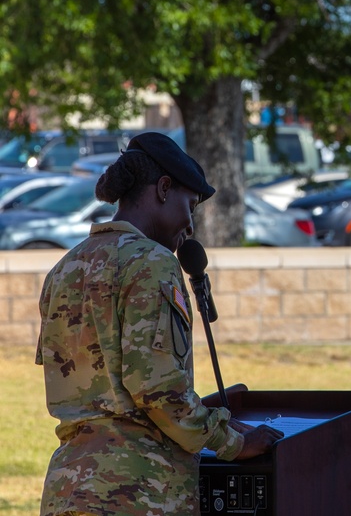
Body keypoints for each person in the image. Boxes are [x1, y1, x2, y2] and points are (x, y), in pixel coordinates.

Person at [36, 132, 283, 516]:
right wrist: (231, 441)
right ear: (164, 188)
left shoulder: (65, 267)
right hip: (137, 492)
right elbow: (158, 389)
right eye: (191, 205)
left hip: (69, 489)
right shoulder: (152, 262)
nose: (190, 226)